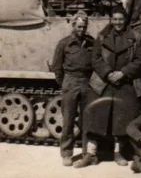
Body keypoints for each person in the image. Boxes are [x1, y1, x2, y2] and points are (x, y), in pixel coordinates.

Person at [73, 6, 141, 168]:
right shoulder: (102, 35)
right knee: (95, 116)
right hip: (102, 83)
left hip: (124, 82)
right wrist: (107, 73)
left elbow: (140, 60)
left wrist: (123, 73)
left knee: (121, 119)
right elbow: (96, 57)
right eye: (115, 19)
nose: (118, 22)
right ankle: (91, 154)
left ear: (125, 20)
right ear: (111, 20)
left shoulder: (135, 37)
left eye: (121, 19)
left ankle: (118, 154)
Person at [51, 10, 94, 166]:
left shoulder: (91, 42)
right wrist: (65, 83)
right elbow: (57, 67)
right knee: (68, 119)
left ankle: (86, 153)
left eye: (84, 27)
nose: (82, 30)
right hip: (70, 81)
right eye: (79, 26)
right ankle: (67, 153)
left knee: (86, 120)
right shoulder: (64, 43)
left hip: (86, 82)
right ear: (74, 25)